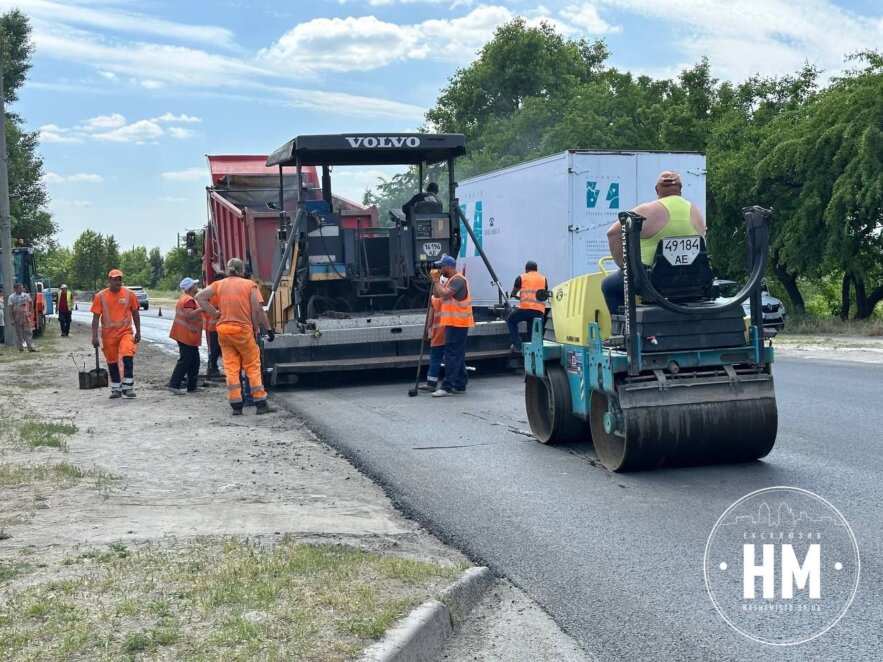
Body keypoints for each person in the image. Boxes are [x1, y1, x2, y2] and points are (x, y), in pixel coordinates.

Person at [601, 171, 706, 315]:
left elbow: (613, 233)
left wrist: (624, 266)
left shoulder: (647, 210)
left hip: (653, 280)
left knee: (608, 286)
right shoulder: (696, 211)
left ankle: (623, 332)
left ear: (657, 190)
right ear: (681, 188)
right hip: (692, 279)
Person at [196, 258, 276, 416]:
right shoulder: (249, 285)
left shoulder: (219, 285)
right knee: (252, 366)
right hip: (243, 331)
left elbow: (199, 297)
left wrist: (215, 312)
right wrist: (265, 329)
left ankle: (236, 405)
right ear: (241, 271)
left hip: (224, 332)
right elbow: (258, 310)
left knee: (231, 367)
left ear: (227, 270)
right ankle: (260, 403)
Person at [91, 269, 141, 399]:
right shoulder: (101, 296)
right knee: (112, 361)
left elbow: (135, 313)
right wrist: (94, 336)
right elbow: (96, 318)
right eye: (115, 279)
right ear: (110, 280)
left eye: (120, 279)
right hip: (109, 335)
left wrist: (138, 332)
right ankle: (116, 389)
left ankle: (128, 388)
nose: (118, 281)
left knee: (127, 355)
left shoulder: (129, 294)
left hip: (126, 332)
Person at [430, 254, 473, 397]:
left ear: (449, 266)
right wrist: (435, 281)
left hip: (458, 323)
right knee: (456, 354)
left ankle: (447, 387)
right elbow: (437, 294)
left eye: (441, 266)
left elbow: (445, 295)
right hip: (453, 323)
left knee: (451, 354)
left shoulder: (458, 280)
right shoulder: (450, 280)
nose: (440, 269)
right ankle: (460, 383)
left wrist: (437, 280)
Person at [168, 277, 205, 395]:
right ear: (191, 288)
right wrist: (201, 310)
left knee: (194, 361)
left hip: (187, 335)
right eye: (195, 284)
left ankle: (192, 386)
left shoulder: (187, 299)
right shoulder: (188, 300)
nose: (197, 286)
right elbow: (189, 315)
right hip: (185, 335)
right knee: (185, 361)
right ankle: (174, 385)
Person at [506, 261, 548, 352]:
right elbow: (544, 294)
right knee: (533, 329)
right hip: (539, 311)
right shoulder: (543, 279)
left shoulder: (521, 277)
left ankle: (517, 345)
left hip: (524, 309)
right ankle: (533, 349)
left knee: (511, 320)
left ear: (526, 269)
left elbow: (514, 292)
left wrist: (515, 295)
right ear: (536, 269)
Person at [418, 282, 447, 392]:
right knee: (453, 358)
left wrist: (426, 331)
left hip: (438, 335)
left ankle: (431, 383)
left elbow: (429, 319)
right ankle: (457, 381)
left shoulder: (434, 299)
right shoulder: (448, 299)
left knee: (435, 358)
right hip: (450, 332)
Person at [204, 273, 224, 380]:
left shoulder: (211, 292)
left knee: (216, 349)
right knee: (216, 349)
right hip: (216, 327)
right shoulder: (214, 293)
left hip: (218, 326)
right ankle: (212, 369)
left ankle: (212, 369)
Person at [8, 282, 36, 352]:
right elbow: (10, 308)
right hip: (17, 316)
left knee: (28, 331)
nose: (22, 289)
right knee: (19, 332)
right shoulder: (12, 297)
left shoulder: (25, 295)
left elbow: (31, 302)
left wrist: (30, 311)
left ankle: (30, 347)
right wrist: (12, 319)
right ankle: (20, 348)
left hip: (25, 316)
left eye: (22, 288)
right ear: (16, 289)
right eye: (20, 288)